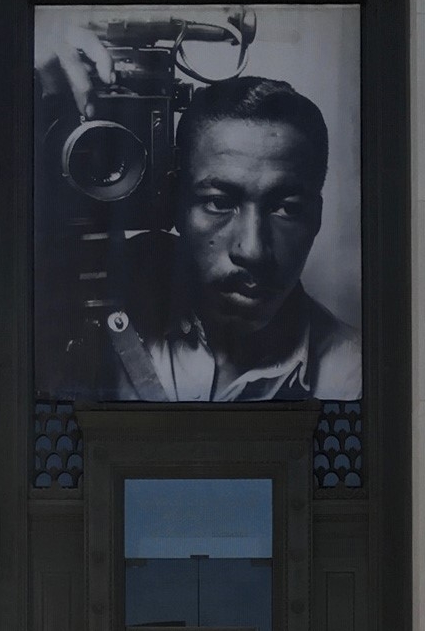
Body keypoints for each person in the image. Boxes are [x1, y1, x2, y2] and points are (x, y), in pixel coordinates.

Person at [35, 21, 361, 401]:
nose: (252, 250)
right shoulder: (84, 308)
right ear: (174, 202)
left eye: (286, 209)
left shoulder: (355, 382)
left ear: (317, 218)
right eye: (219, 203)